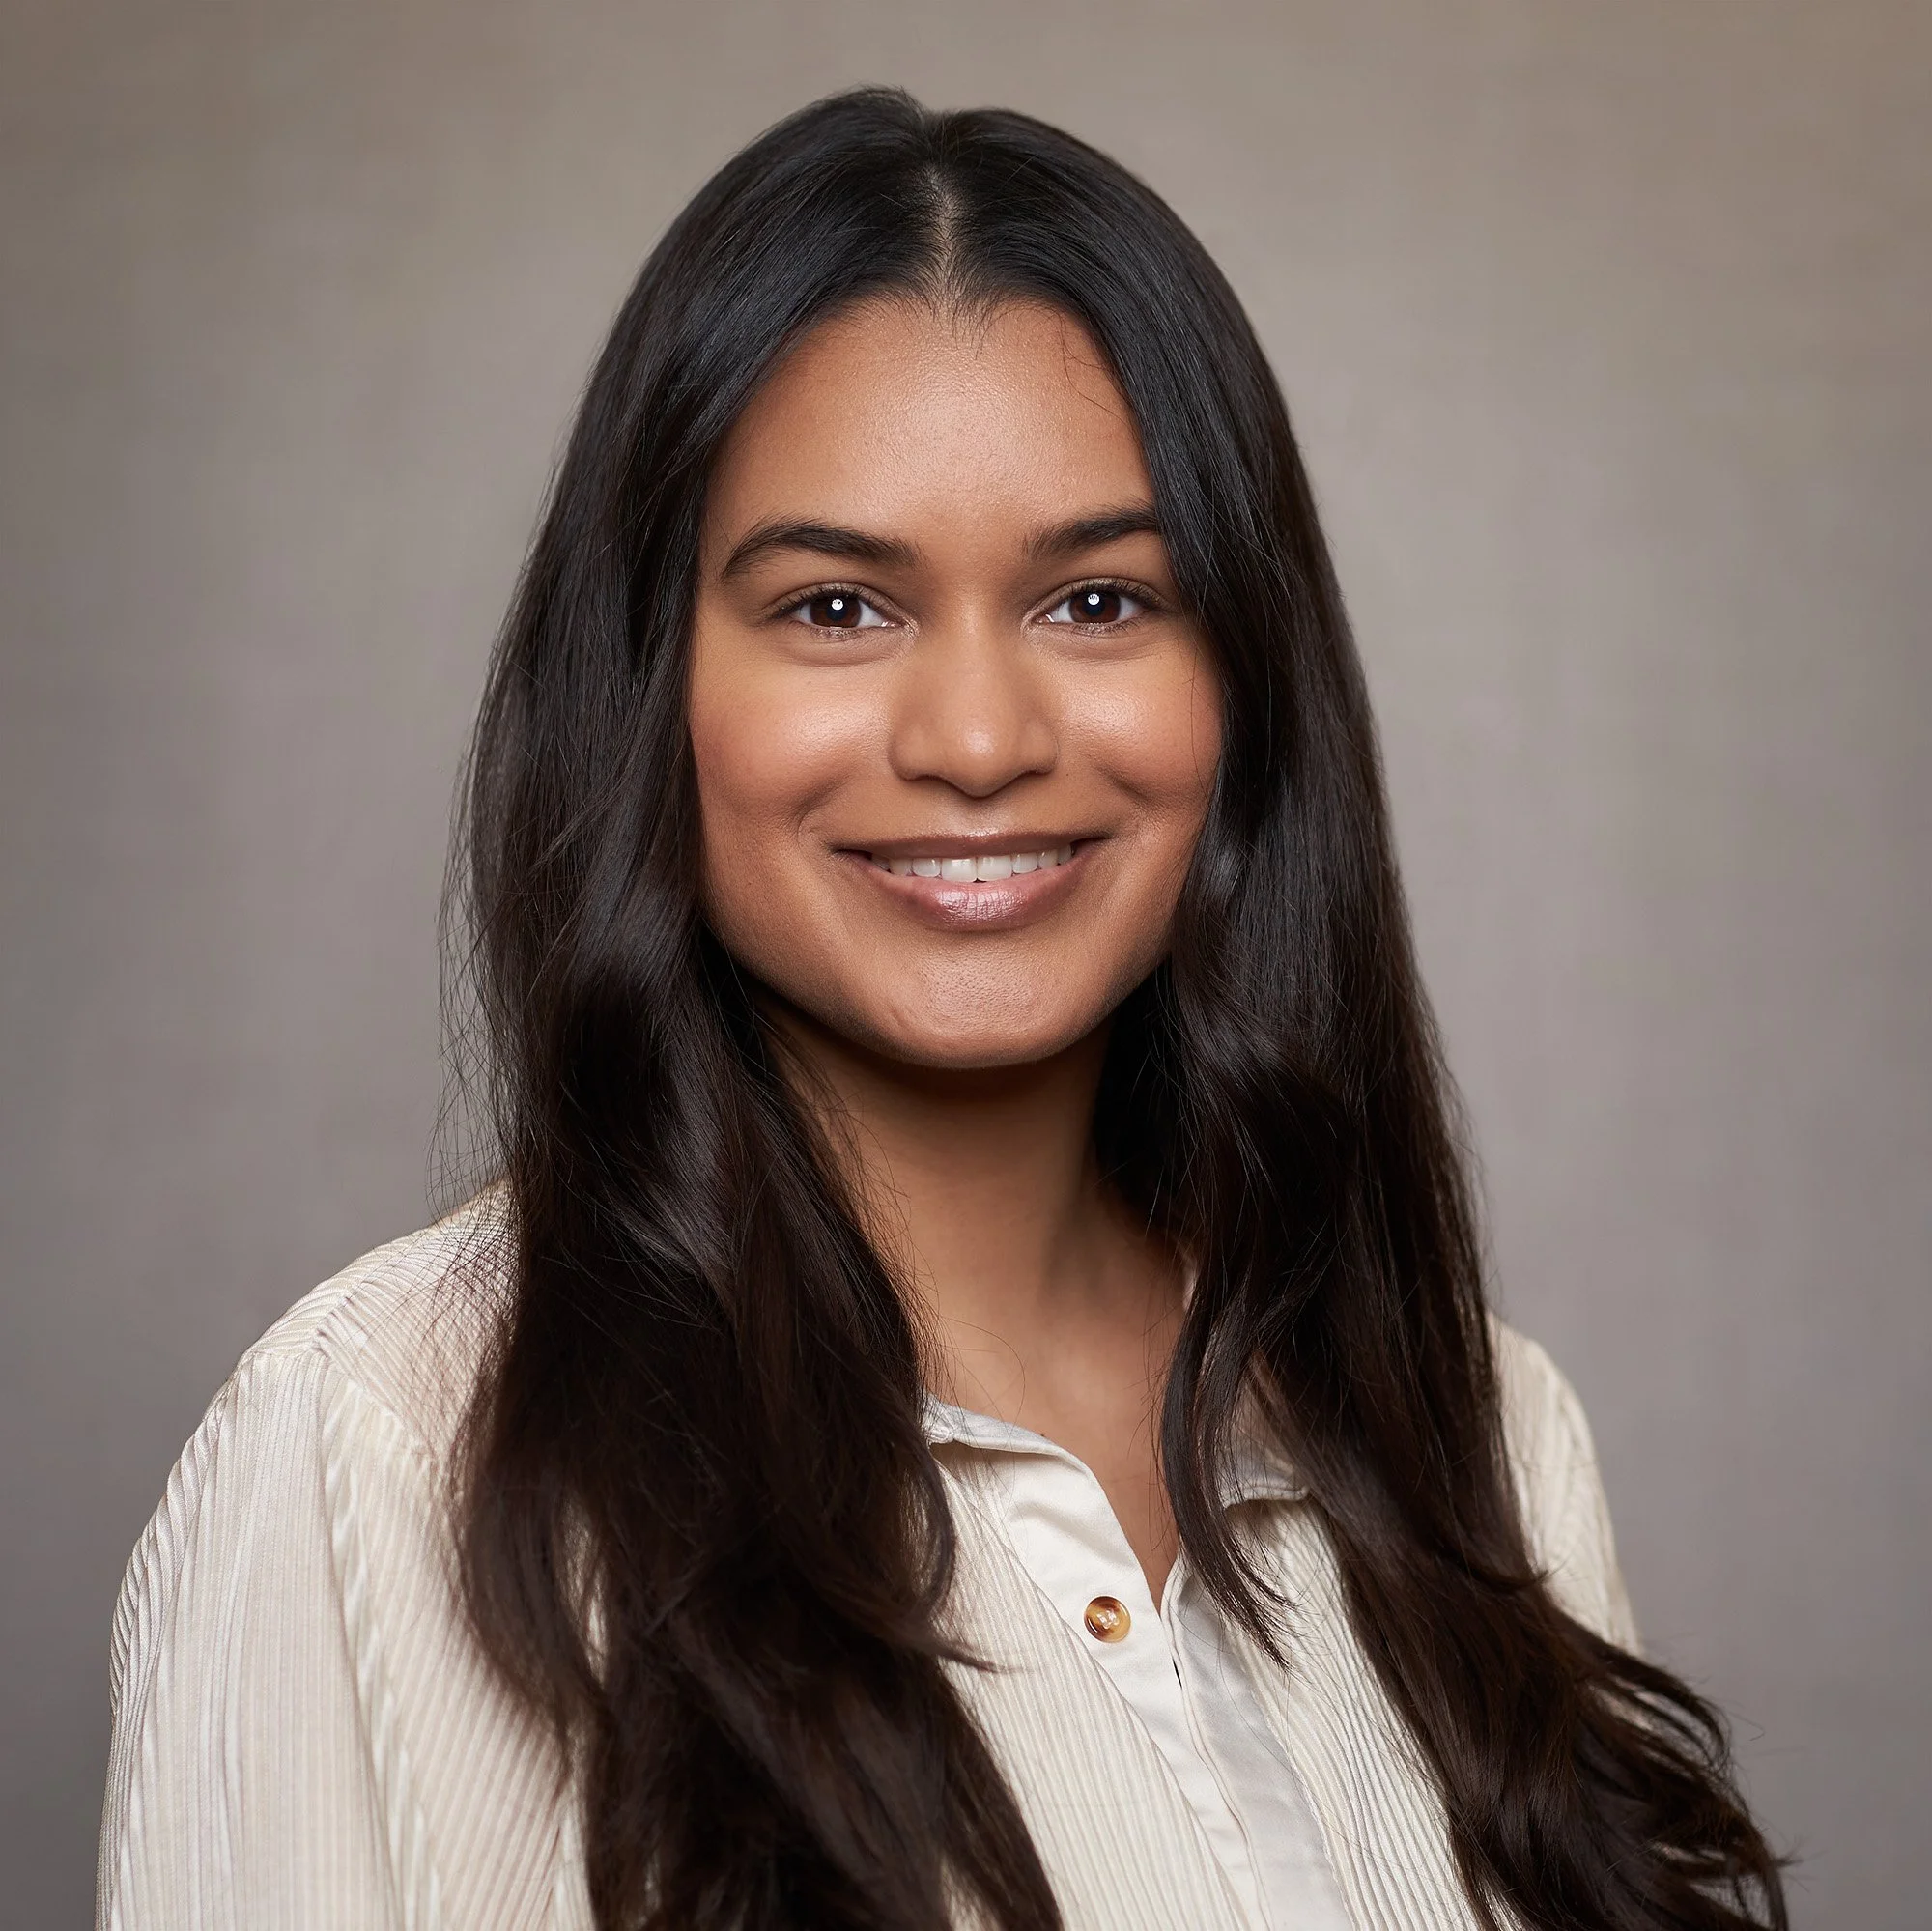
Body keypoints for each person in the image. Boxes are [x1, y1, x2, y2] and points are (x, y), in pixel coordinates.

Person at [96, 88, 1786, 1931]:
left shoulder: (1478, 1427)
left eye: (1096, 598)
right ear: (655, 687)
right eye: (834, 605)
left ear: (1247, 682)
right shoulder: (384, 1457)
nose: (979, 741)